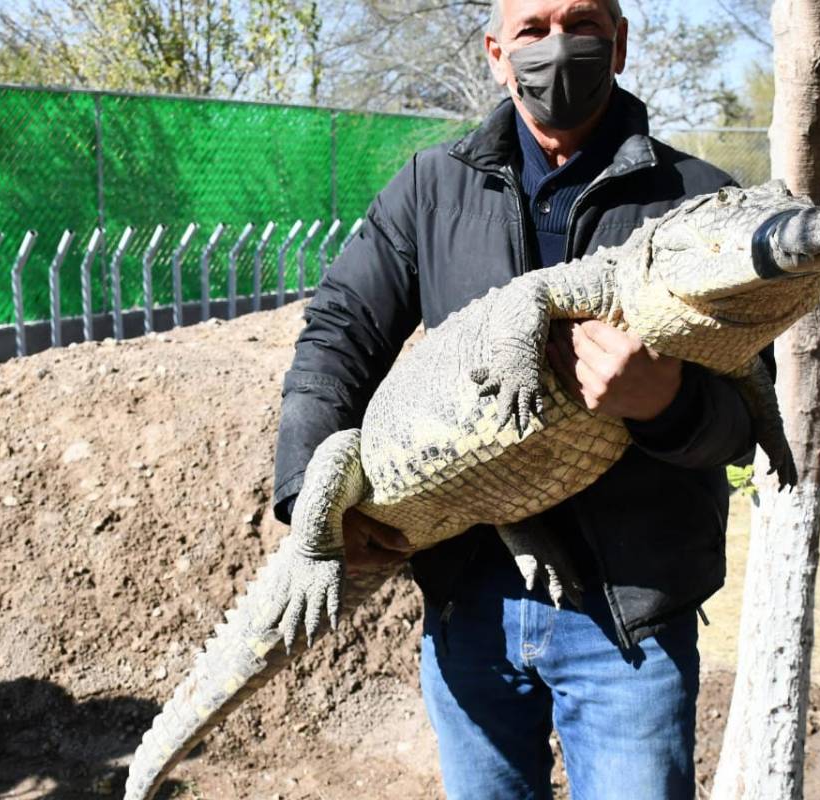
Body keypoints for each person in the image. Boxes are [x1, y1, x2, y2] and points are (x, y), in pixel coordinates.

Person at [272, 0, 773, 797]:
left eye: (581, 24)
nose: (557, 48)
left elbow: (748, 415)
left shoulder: (698, 202)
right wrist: (309, 499)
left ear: (619, 42)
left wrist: (665, 405)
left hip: (629, 627)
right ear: (497, 54)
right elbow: (338, 334)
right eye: (533, 29)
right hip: (467, 602)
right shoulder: (430, 187)